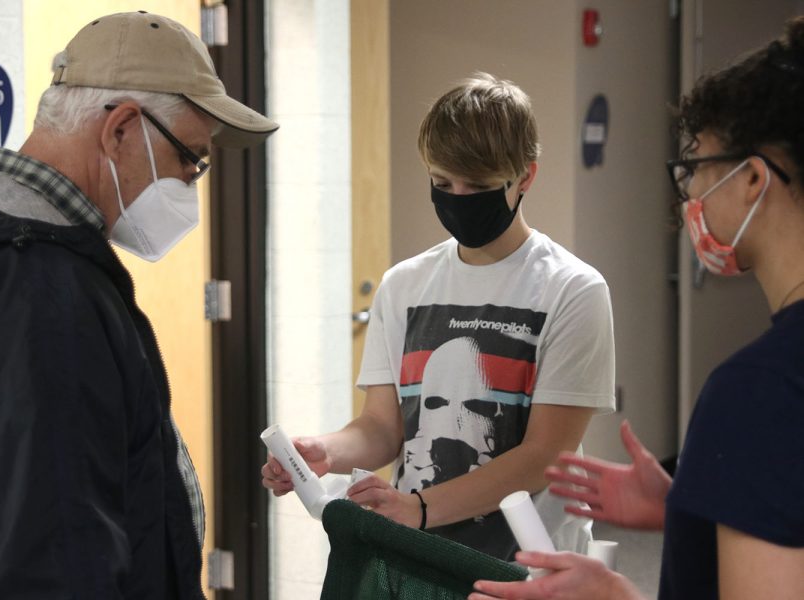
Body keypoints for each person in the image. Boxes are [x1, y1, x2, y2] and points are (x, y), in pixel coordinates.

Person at [0, 11, 277, 599]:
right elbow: (55, 559)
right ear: (122, 129)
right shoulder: (44, 293)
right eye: (191, 160)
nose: (190, 183)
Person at [471, 16, 804, 600]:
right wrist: (694, 507)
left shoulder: (762, 392)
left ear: (754, 178)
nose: (691, 196)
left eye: (696, 165)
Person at [262, 73, 616, 560]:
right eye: (441, 183)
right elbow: (384, 429)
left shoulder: (573, 290)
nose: (459, 198)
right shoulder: (404, 285)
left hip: (531, 569)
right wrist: (327, 452)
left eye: (479, 185)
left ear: (525, 177)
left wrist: (421, 506)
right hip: (421, 561)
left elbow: (545, 455)